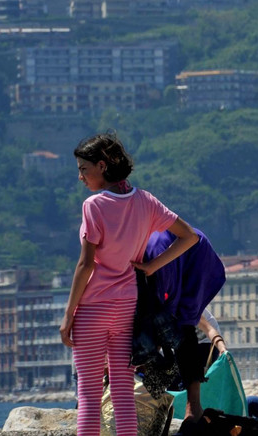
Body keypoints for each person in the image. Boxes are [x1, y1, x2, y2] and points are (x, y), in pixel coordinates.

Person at [60, 133, 198, 436]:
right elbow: (190, 236)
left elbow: (85, 265)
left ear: (102, 165)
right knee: (122, 392)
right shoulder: (145, 201)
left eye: (84, 169)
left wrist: (69, 313)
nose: (80, 176)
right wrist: (151, 266)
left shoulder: (93, 205)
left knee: (89, 394)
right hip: (126, 308)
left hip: (92, 308)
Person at [143, 225, 226, 420]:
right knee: (153, 332)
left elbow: (174, 319)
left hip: (194, 258)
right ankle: (154, 397)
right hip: (166, 259)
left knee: (182, 323)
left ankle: (194, 407)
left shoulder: (157, 253)